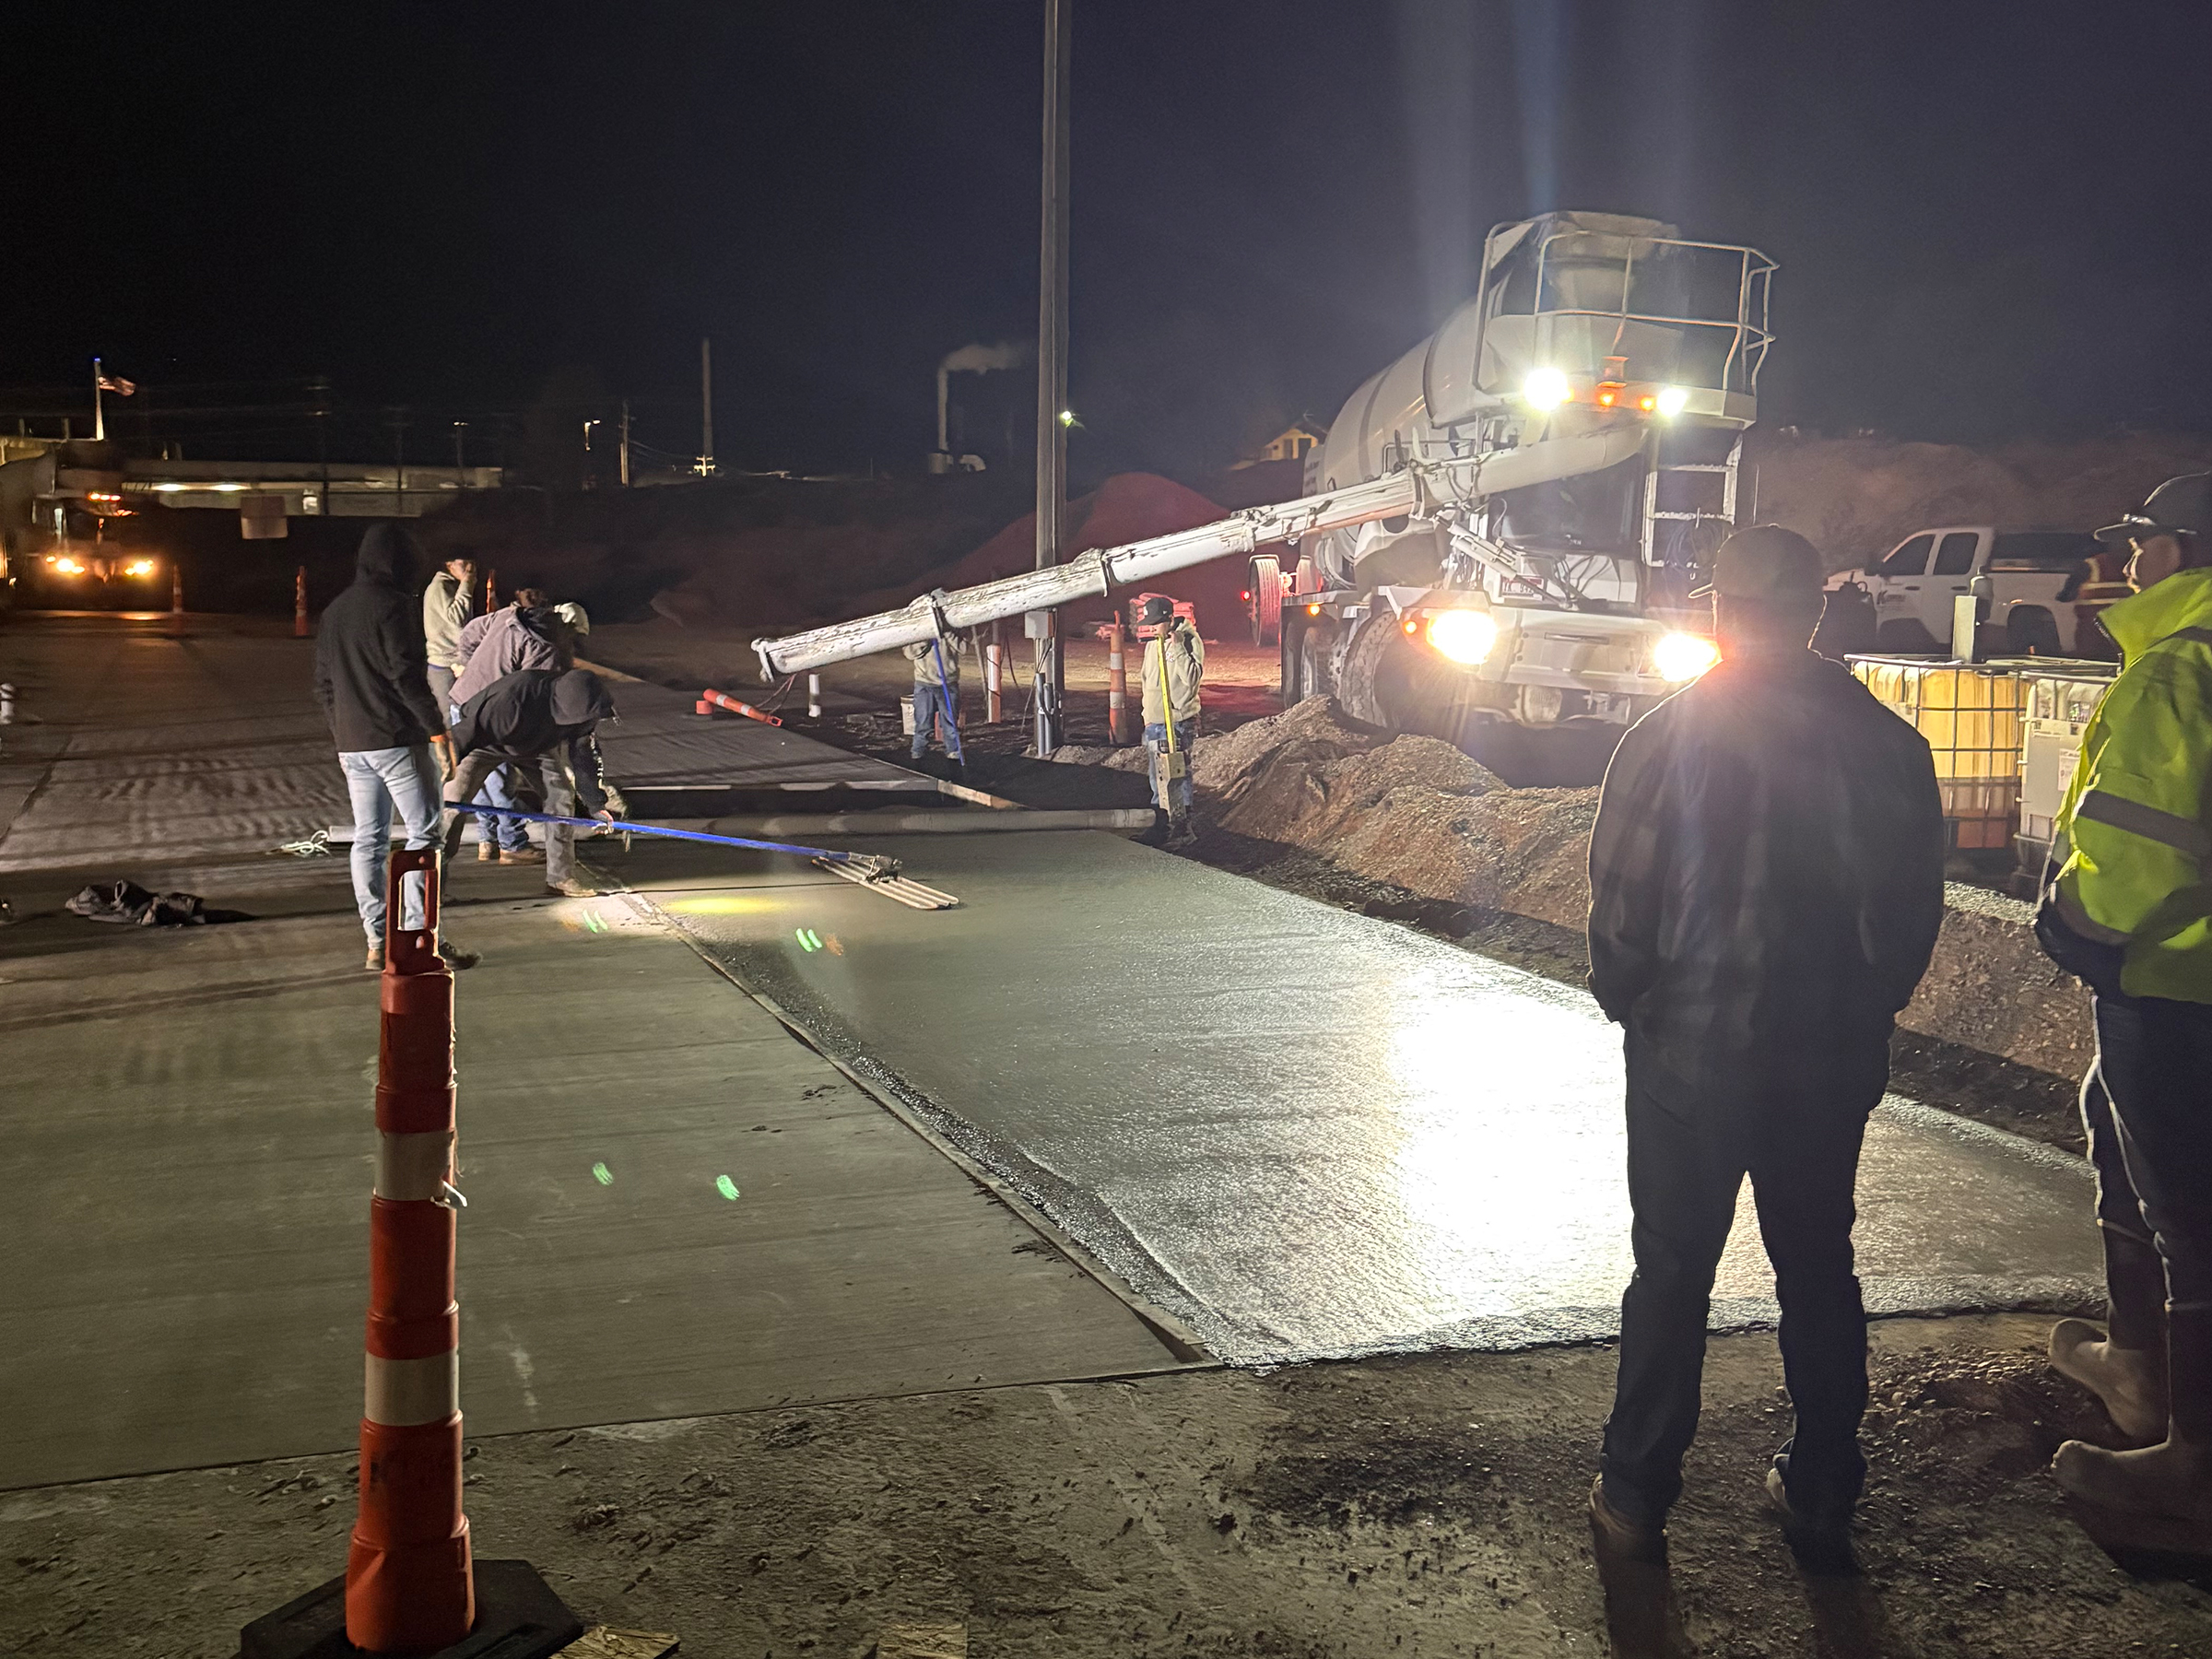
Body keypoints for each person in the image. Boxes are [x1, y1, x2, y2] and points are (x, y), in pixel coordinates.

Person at [1584, 525, 1945, 1556]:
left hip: (1688, 1060)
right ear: (1816, 611)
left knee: (1672, 1272)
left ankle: (1636, 1494)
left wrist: (1633, 1003)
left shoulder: (1663, 738)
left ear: (1718, 610)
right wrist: (1865, 1009)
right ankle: (1823, 1486)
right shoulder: (1888, 743)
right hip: (1825, 1062)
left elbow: (1622, 909)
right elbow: (1910, 913)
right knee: (1818, 1265)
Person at [2037, 473, 2212, 1539]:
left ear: (2183, 550)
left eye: (2143, 543)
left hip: (2175, 983)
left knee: (2188, 1211)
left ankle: (2191, 1462)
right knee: (2115, 1125)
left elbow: (2141, 855)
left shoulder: (2179, 671)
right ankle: (2137, 1364)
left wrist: (2069, 928)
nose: (2128, 561)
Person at [314, 524, 479, 971]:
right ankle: (419, 938)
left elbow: (324, 685)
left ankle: (377, 940)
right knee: (425, 836)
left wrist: (341, 733)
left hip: (354, 744)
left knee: (368, 838)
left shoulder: (335, 610)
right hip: (398, 740)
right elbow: (406, 677)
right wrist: (438, 732)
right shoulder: (394, 606)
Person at [442, 667, 626, 899]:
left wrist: (595, 803)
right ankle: (429, 886)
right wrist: (439, 777)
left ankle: (560, 878)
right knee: (452, 806)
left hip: (536, 746)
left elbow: (583, 757)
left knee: (560, 798)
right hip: (484, 742)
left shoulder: (583, 712)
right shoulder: (513, 701)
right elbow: (462, 738)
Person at [449, 588, 561, 865]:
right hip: (492, 716)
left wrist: (470, 665)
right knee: (501, 783)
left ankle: (487, 841)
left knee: (476, 785)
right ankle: (512, 844)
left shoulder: (505, 616)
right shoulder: (545, 647)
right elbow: (531, 694)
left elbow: (468, 635)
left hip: (465, 702)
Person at [1138, 595, 1204, 846]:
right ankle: (1162, 826)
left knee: (1177, 776)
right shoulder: (1152, 645)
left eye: (1156, 623)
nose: (1152, 628)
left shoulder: (1188, 640)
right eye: (1150, 623)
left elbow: (1192, 679)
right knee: (1157, 778)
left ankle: (1182, 829)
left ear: (1170, 619)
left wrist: (1177, 649)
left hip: (1176, 723)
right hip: (1155, 723)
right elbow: (1146, 680)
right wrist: (1147, 717)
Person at [421, 553, 477, 711]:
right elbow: (457, 619)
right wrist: (467, 583)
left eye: (472, 563)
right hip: (444, 666)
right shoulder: (440, 587)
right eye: (464, 563)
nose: (470, 568)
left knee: (462, 714)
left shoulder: (452, 587)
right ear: (449, 565)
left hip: (455, 664)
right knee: (451, 717)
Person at [904, 632, 965, 763]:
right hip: (924, 683)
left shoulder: (952, 627)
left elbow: (963, 648)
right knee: (923, 722)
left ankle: (953, 751)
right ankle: (918, 752)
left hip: (948, 683)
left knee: (950, 722)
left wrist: (948, 634)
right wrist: (925, 639)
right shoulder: (918, 629)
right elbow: (909, 653)